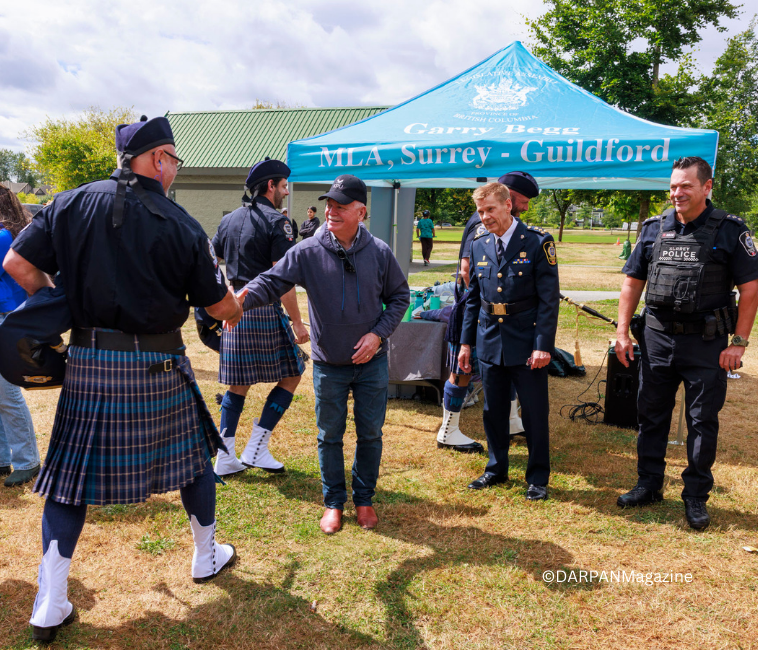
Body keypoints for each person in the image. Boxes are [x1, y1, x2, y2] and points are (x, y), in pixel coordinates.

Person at [3, 116, 243, 643]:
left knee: (69, 482)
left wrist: (58, 302)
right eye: (175, 161)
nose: (175, 171)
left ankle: (51, 600)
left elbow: (17, 263)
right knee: (194, 461)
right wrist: (236, 303)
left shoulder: (69, 202)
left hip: (90, 361)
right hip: (159, 364)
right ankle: (206, 557)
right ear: (157, 158)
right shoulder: (182, 223)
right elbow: (221, 307)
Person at [234, 174, 409, 534]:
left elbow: (399, 298)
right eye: (329, 204)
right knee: (329, 435)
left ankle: (364, 500)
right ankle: (333, 503)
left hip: (371, 363)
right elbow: (272, 281)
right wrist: (242, 299)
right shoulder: (308, 251)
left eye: (341, 206)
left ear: (361, 212)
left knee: (370, 434)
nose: (331, 211)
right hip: (329, 364)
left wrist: (377, 335)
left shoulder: (379, 252)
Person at [614, 156, 758, 530]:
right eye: (673, 186)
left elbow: (750, 289)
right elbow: (632, 281)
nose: (677, 193)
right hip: (657, 338)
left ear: (706, 187)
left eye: (686, 186)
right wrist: (622, 331)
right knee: (650, 414)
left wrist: (738, 343)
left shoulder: (730, 230)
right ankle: (648, 484)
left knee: (701, 420)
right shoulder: (653, 228)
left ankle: (695, 495)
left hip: (706, 342)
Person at [459, 182, 559, 499]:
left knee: (534, 411)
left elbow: (549, 300)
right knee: (494, 410)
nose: (485, 216)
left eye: (490, 209)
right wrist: (466, 343)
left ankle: (538, 478)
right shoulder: (479, 243)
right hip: (490, 338)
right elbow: (473, 299)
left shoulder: (537, 241)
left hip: (527, 340)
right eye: (480, 211)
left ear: (507, 205)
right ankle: (495, 469)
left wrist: (542, 345)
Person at [211, 158, 309, 477]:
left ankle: (225, 455)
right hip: (262, 306)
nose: (286, 192)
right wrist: (297, 321)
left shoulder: (228, 220)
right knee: (294, 371)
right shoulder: (278, 222)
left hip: (234, 309)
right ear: (270, 186)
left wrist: (225, 292)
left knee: (238, 384)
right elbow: (283, 279)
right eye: (283, 186)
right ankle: (256, 447)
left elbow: (211, 260)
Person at [437, 172, 540, 454]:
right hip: (479, 310)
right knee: (462, 370)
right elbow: (468, 271)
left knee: (506, 366)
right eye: (523, 200)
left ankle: (512, 421)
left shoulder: (508, 224)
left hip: (492, 313)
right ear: (508, 197)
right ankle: (448, 430)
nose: (525, 207)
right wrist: (492, 305)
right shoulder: (482, 222)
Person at [0, 186, 41, 487]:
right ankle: (3, 459)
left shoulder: (3, 236)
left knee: (7, 394)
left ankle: (28, 461)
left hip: (6, 318)